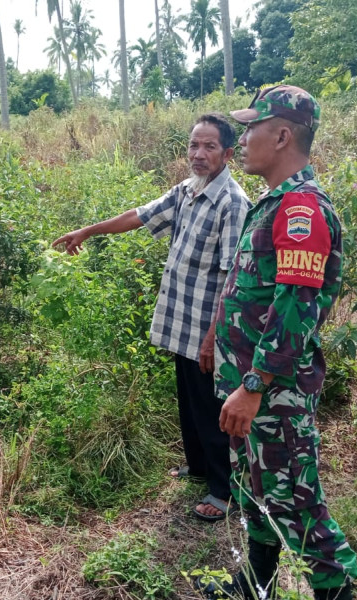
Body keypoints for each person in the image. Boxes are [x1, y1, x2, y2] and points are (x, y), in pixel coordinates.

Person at [53, 114, 251, 521]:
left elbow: (234, 278)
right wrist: (88, 232)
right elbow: (139, 216)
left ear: (228, 154)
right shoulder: (188, 190)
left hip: (207, 330)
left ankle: (222, 491)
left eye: (209, 146)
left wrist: (214, 338)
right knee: (190, 402)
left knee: (211, 409)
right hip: (183, 321)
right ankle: (197, 469)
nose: (198, 154)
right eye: (194, 145)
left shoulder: (233, 203)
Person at [208, 86, 357, 599]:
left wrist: (254, 385)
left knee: (296, 502)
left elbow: (296, 309)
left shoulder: (302, 211)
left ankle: (335, 588)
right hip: (249, 391)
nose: (242, 139)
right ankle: (256, 585)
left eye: (251, 129)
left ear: (282, 134)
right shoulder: (273, 203)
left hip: (274, 395)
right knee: (256, 494)